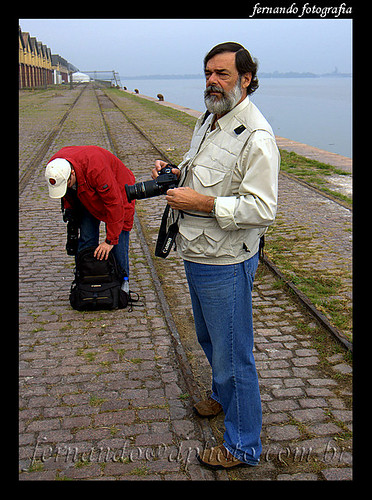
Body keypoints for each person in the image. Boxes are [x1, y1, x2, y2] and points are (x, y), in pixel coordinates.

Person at [152, 42, 280, 469]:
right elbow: (208, 175)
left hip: (227, 260)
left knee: (233, 353)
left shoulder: (257, 136)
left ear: (246, 79)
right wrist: (175, 173)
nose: (212, 81)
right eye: (209, 72)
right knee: (210, 340)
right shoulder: (211, 119)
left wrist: (204, 204)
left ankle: (243, 446)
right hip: (199, 252)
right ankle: (223, 398)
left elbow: (262, 209)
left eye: (223, 73)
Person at [45, 145, 135, 287]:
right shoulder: (55, 167)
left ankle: (123, 282)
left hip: (119, 191)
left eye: (67, 184)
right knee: (86, 238)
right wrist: (71, 214)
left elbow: (114, 204)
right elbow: (67, 195)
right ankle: (85, 277)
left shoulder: (96, 168)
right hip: (86, 193)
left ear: (72, 174)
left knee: (118, 241)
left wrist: (109, 241)